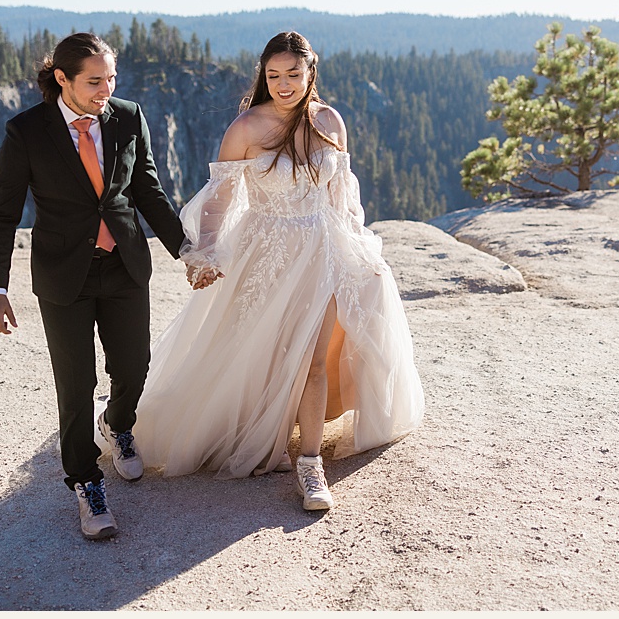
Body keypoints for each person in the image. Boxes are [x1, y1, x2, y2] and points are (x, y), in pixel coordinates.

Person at [132, 30, 424, 511]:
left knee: (312, 357)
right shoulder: (246, 128)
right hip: (266, 253)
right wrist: (205, 254)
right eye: (274, 75)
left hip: (324, 251)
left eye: (293, 73)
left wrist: (361, 247)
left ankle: (310, 465)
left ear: (311, 72)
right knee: (258, 352)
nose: (284, 84)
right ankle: (256, 431)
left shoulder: (330, 121)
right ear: (263, 77)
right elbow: (218, 200)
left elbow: (342, 197)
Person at [0, 32, 187, 540]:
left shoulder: (127, 116)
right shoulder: (26, 131)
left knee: (134, 367)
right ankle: (86, 480)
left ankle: (117, 425)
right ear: (62, 79)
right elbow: (4, 212)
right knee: (76, 385)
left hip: (124, 265)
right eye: (95, 81)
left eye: (111, 78)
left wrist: (187, 250)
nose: (106, 89)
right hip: (63, 274)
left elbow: (147, 190)